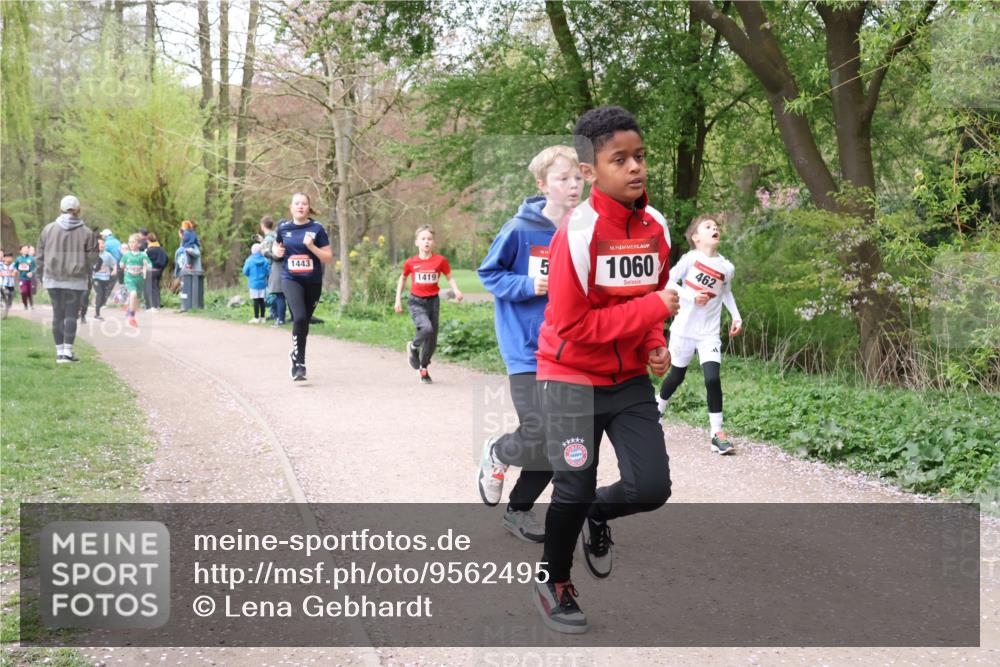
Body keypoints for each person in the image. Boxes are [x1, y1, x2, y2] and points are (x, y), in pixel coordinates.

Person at [531, 106, 680, 634]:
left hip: (628, 380)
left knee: (651, 488)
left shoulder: (656, 226)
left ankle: (599, 514)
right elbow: (573, 326)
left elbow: (647, 301)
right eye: (621, 160)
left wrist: (655, 344)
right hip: (569, 374)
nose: (636, 168)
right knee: (573, 484)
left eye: (640, 156)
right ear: (591, 171)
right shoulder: (577, 232)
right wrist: (656, 313)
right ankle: (554, 579)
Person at [476, 145, 583, 542]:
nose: (573, 185)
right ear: (542, 184)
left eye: (577, 178)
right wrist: (527, 284)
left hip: (568, 349)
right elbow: (489, 274)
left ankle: (518, 512)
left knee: (562, 439)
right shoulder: (520, 229)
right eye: (562, 179)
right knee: (537, 430)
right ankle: (499, 452)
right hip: (525, 347)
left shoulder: (583, 228)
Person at [656, 214, 743, 454]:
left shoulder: (727, 267)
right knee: (675, 377)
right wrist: (691, 296)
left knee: (712, 378)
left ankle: (717, 433)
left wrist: (736, 316)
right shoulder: (691, 259)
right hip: (684, 330)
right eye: (708, 226)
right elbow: (668, 282)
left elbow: (726, 293)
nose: (714, 228)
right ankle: (657, 410)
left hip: (709, 333)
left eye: (716, 227)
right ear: (696, 238)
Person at [270, 193, 333, 381]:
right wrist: (276, 251)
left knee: (304, 322)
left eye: (304, 203)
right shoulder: (284, 228)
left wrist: (312, 247)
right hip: (291, 279)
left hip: (313, 281)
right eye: (297, 204)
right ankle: (299, 364)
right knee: (300, 317)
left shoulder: (317, 228)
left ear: (308, 207)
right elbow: (276, 247)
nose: (300, 206)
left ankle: (296, 355)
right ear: (291, 208)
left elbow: (328, 257)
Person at [393, 226, 464, 384]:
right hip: (416, 301)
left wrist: (456, 290)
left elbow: (449, 277)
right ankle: (413, 346)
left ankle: (423, 369)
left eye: (429, 239)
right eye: (423, 239)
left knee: (432, 339)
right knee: (426, 328)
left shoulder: (440, 261)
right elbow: (403, 279)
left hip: (433, 302)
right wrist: (398, 299)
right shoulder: (411, 262)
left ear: (433, 243)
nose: (426, 241)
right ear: (417, 242)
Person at [35, 195, 100, 363]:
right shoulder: (87, 232)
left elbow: (39, 256)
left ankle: (59, 353)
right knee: (71, 315)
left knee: (58, 315)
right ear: (78, 210)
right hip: (76, 280)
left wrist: (40, 275)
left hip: (52, 278)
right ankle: (68, 353)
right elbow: (93, 258)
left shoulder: (48, 229)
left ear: (61, 209)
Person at [119, 233, 151, 328]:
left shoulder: (143, 255)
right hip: (129, 278)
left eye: (134, 242)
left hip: (139, 279)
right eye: (130, 242)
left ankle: (130, 311)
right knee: (133, 294)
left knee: (136, 300)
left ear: (139, 244)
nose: (131, 244)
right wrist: (123, 266)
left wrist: (146, 265)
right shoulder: (126, 255)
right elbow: (121, 264)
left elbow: (149, 265)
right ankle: (131, 317)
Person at [260, 216, 286, 326]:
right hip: (283, 269)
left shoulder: (281, 240)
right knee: (283, 295)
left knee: (279, 294)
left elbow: (278, 257)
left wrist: (266, 253)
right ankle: (282, 316)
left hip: (278, 269)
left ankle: (280, 318)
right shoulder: (287, 238)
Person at [243, 242, 270, 323]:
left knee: (255, 300)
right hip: (262, 283)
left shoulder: (249, 260)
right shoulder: (265, 260)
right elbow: (268, 272)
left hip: (253, 283)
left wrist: (250, 276)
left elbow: (245, 271)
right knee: (262, 300)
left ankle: (256, 318)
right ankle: (263, 317)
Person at [91, 237, 117, 321]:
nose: (101, 245)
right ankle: (97, 314)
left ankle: (97, 309)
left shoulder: (107, 255)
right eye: (99, 244)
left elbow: (114, 264)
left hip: (105, 278)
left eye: (103, 243)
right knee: (100, 293)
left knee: (104, 297)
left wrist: (115, 270)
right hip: (96, 278)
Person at [144, 232, 168, 310]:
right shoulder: (161, 249)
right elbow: (166, 259)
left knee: (152, 287)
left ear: (148, 240)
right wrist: (161, 268)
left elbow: (144, 261)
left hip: (151, 270)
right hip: (159, 270)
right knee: (157, 287)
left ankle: (153, 305)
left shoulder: (149, 250)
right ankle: (157, 304)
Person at [15, 244, 35, 309]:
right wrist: (15, 270)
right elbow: (15, 267)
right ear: (20, 251)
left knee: (29, 293)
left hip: (30, 279)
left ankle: (31, 304)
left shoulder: (32, 258)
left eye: (27, 249)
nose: (26, 250)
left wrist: (32, 272)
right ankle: (25, 305)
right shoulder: (18, 259)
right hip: (22, 278)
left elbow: (35, 268)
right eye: (24, 249)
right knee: (24, 291)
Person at [1, 251, 16, 319]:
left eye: (10, 257)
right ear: (4, 258)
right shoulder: (1, 265)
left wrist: (13, 273)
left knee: (10, 300)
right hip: (3, 284)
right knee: (6, 294)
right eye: (7, 257)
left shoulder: (14, 264)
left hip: (11, 285)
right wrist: (9, 273)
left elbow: (15, 273)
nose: (9, 259)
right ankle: (4, 309)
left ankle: (6, 311)